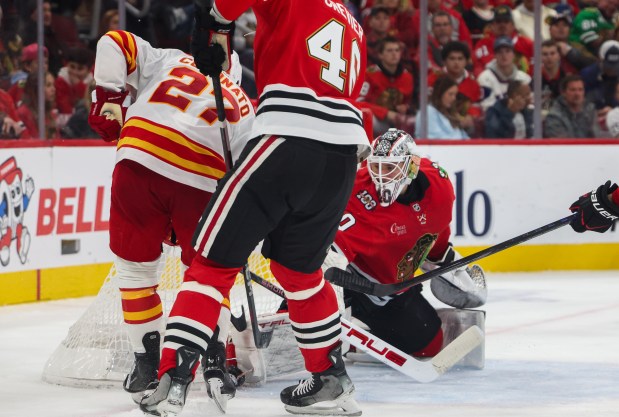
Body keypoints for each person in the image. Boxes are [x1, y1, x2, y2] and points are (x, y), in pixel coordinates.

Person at [140, 1, 369, 416]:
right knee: (299, 273)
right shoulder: (352, 20)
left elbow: (224, 7)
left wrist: (211, 23)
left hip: (286, 138)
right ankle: (329, 378)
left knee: (212, 263)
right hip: (341, 158)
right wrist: (222, 36)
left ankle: (172, 378)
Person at [87, 29, 255, 403]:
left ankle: (146, 366)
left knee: (135, 271)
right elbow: (247, 171)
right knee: (208, 275)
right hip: (200, 182)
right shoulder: (243, 102)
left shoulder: (169, 59)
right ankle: (215, 361)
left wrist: (109, 96)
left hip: (137, 160)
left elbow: (113, 41)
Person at [330, 128, 487, 359]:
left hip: (389, 288)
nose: (381, 176)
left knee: (429, 344)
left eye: (390, 167)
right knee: (300, 325)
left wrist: (443, 260)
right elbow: (329, 256)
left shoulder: (439, 186)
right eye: (376, 166)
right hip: (348, 280)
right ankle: (330, 327)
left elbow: (436, 230)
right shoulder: (357, 194)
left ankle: (355, 342)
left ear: (411, 167)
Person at [359, 36, 414, 136]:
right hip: (377, 120)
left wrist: (406, 107)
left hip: (399, 122)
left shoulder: (407, 76)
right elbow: (359, 102)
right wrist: (385, 113)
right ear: (380, 55)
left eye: (397, 50)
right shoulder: (369, 74)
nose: (394, 54)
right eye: (389, 50)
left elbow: (410, 103)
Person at [478, 36, 532, 111]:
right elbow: (486, 107)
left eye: (507, 51)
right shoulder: (485, 77)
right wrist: (510, 108)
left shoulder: (524, 78)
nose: (504, 55)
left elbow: (531, 105)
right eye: (500, 52)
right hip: (496, 119)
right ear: (495, 55)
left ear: (513, 55)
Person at [544, 74, 599, 138]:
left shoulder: (590, 110)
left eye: (580, 90)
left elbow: (597, 138)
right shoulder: (554, 116)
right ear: (563, 93)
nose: (577, 94)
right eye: (573, 90)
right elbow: (561, 144)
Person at [416, 75, 469, 139]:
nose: (454, 98)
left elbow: (464, 137)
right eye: (450, 94)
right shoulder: (427, 112)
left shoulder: (450, 114)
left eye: (455, 95)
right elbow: (435, 139)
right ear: (440, 93)